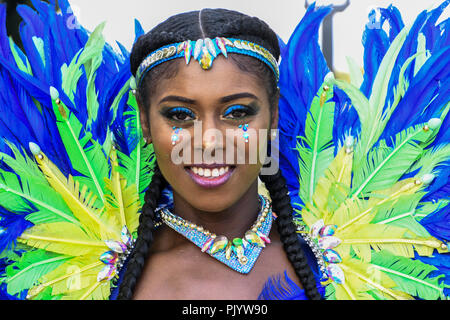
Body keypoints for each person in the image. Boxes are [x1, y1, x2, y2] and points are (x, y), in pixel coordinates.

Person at [0, 0, 448, 301]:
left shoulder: (376, 255)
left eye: (237, 113)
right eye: (179, 115)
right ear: (145, 125)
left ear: (273, 118)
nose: (209, 140)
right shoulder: (68, 271)